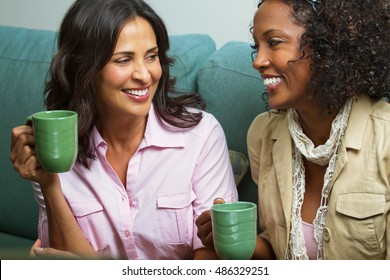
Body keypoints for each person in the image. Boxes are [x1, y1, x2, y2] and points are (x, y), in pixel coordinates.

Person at [10, 0, 237, 260]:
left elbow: (213, 259)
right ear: (84, 69)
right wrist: (49, 184)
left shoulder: (201, 135)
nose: (145, 75)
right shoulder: (55, 148)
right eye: (124, 59)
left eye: (151, 56)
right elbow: (70, 267)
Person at [196, 0, 390, 260]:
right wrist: (238, 240)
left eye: (274, 42)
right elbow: (281, 249)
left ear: (327, 46)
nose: (258, 61)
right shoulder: (263, 135)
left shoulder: (385, 139)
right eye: (257, 46)